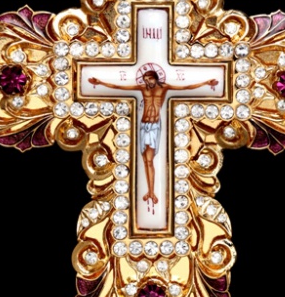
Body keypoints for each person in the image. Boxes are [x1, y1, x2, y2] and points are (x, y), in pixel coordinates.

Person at [88, 70, 219, 209]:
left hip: (154, 126)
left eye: (149, 79)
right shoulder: (142, 88)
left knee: (149, 160)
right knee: (145, 160)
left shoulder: (164, 87)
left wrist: (206, 83)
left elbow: (186, 87)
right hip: (143, 126)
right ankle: (149, 191)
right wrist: (100, 82)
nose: (147, 82)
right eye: (145, 79)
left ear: (156, 78)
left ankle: (152, 192)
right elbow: (119, 87)